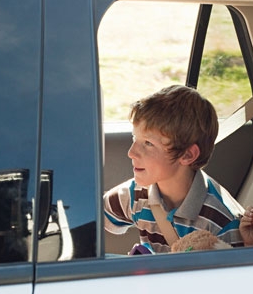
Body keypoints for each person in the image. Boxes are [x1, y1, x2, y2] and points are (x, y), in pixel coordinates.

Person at [103, 85, 243, 254]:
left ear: (187, 155)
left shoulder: (222, 221)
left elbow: (231, 277)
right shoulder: (136, 194)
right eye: (135, 138)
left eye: (148, 143)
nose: (131, 152)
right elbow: (90, 219)